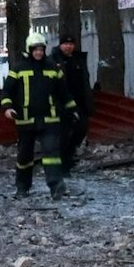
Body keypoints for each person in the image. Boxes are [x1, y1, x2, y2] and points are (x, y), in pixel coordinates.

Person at [1, 32, 76, 199]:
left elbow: (64, 93)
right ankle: (22, 187)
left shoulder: (53, 68)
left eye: (41, 49)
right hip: (25, 120)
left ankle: (56, 186)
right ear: (29, 50)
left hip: (49, 119)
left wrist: (73, 109)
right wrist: (7, 107)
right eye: (35, 50)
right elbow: (6, 91)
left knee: (51, 153)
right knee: (25, 156)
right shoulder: (18, 69)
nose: (39, 53)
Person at [53, 31, 95, 172]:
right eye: (65, 44)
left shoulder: (78, 59)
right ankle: (63, 163)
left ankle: (68, 156)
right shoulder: (53, 60)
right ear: (60, 45)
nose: (68, 47)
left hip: (80, 102)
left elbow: (84, 81)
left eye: (71, 44)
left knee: (81, 129)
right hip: (62, 103)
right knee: (64, 133)